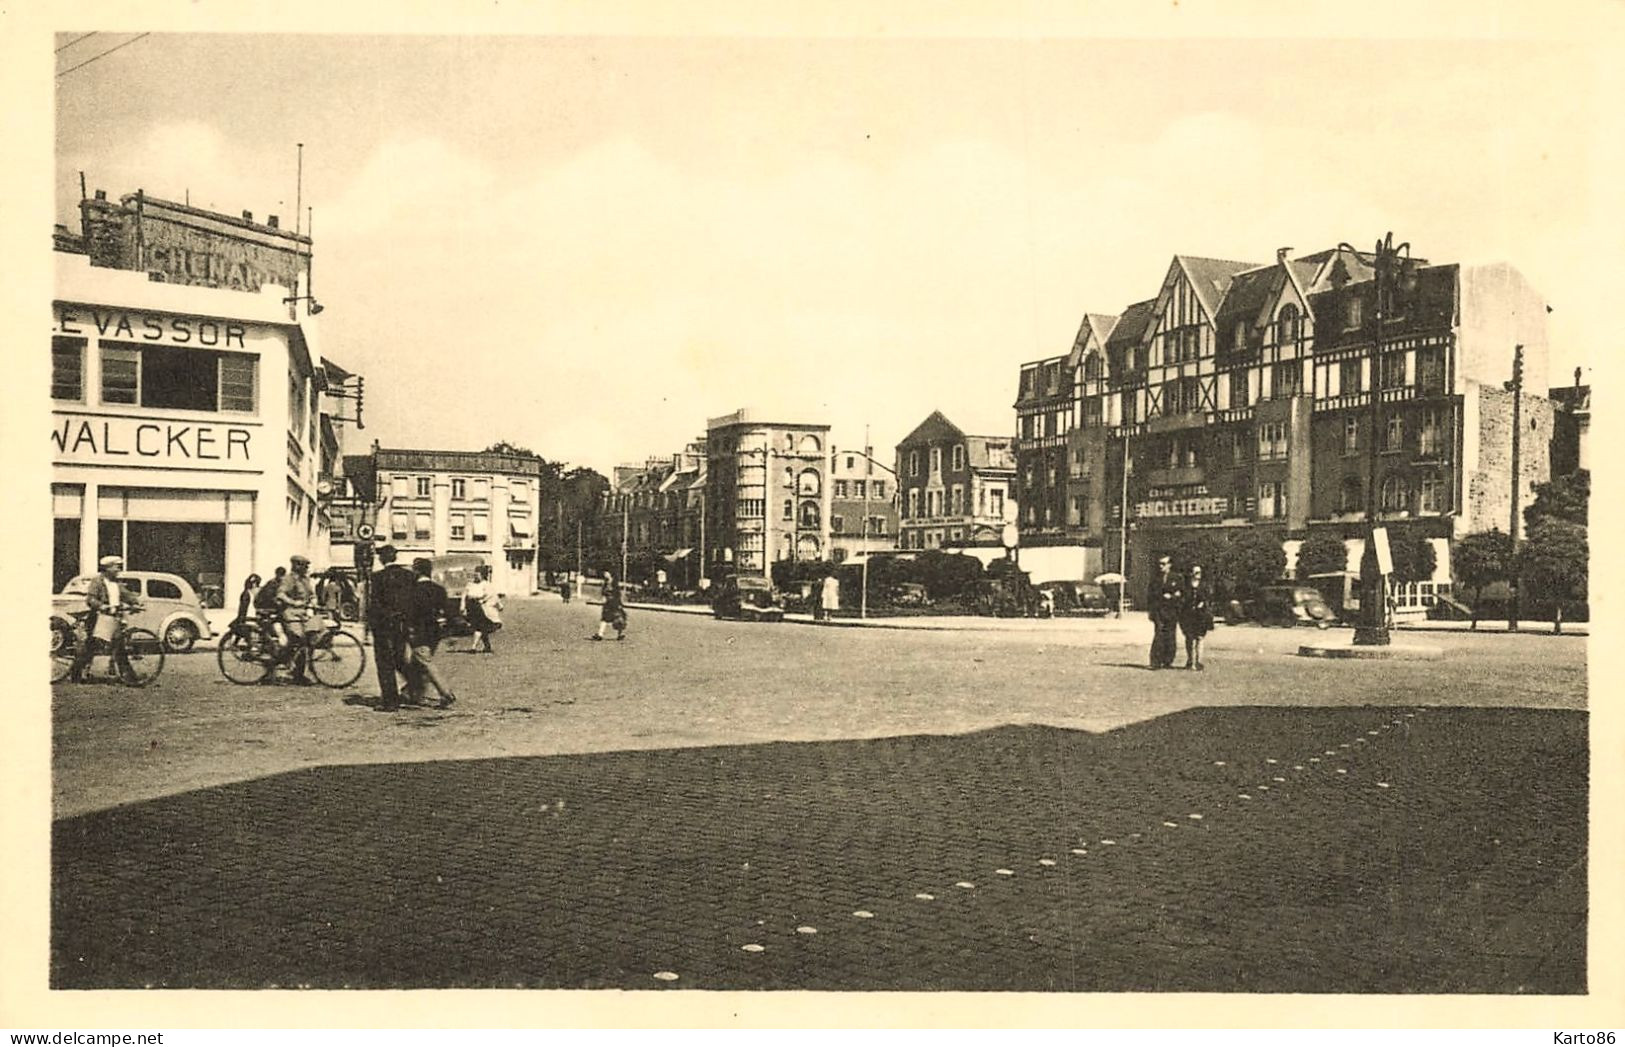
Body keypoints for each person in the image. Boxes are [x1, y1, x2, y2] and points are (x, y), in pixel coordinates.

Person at [68, 554, 142, 682]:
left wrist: (136, 603)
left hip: (113, 619)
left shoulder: (116, 584)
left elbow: (127, 595)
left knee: (119, 647)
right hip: (98, 618)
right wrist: (102, 606)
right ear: (108, 568)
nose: (118, 570)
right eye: (116, 567)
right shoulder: (97, 582)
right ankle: (76, 674)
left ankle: (129, 677)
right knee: (90, 648)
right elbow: (90, 599)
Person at [368, 544, 416, 711]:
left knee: (384, 662)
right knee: (399, 658)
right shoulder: (408, 576)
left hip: (383, 625)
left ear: (382, 559)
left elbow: (374, 603)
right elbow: (412, 602)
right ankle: (416, 684)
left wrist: (371, 625)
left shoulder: (377, 577)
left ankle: (390, 701)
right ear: (395, 557)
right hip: (401, 624)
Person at [404, 558, 457, 709]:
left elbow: (409, 613)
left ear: (417, 571)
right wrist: (449, 634)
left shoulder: (413, 590)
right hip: (434, 632)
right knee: (417, 664)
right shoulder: (439, 589)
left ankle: (446, 694)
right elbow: (448, 612)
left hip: (418, 631)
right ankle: (408, 692)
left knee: (425, 663)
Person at [276, 555, 321, 684]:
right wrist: (293, 602)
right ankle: (288, 664)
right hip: (290, 614)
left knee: (312, 636)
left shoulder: (305, 580)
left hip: (303, 614)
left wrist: (313, 602)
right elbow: (280, 594)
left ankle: (298, 672)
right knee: (300, 638)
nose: (306, 568)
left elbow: (311, 594)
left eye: (307, 565)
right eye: (304, 565)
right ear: (296, 566)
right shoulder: (288, 579)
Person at [1148, 554, 1182, 670]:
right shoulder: (1155, 579)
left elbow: (1181, 594)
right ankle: (1155, 661)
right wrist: (1151, 611)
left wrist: (1172, 597)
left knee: (1170, 636)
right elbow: (1151, 595)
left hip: (1171, 611)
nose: (1161, 566)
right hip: (1158, 611)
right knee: (1158, 635)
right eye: (1159, 564)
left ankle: (1168, 661)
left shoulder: (1176, 578)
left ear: (1169, 565)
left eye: (1163, 564)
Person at [1179, 564, 1214, 671]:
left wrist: (1203, 603)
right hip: (1188, 614)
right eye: (1195, 572)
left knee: (1200, 637)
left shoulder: (1205, 586)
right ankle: (1190, 660)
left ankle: (1198, 661)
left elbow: (1208, 598)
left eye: (1199, 572)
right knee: (1189, 638)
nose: (1197, 574)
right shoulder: (1186, 586)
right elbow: (1183, 598)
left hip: (1201, 615)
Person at [253, 566, 288, 659]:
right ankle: (268, 647)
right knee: (272, 625)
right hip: (264, 607)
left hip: (270, 607)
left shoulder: (280, 583)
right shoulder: (272, 583)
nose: (282, 577)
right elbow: (270, 598)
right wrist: (280, 603)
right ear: (277, 575)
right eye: (281, 575)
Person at [463, 566, 498, 653]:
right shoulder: (470, 584)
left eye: (478, 574)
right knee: (482, 628)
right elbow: (464, 595)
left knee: (478, 627)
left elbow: (489, 595)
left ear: (483, 575)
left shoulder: (486, 584)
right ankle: (487, 646)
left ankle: (473, 647)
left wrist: (479, 598)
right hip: (471, 607)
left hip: (481, 608)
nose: (476, 576)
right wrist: (462, 606)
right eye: (475, 574)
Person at [592, 573, 627, 641]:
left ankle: (620, 634)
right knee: (604, 618)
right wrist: (603, 598)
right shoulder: (605, 583)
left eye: (606, 573)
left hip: (615, 603)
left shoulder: (614, 583)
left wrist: (620, 604)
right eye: (604, 573)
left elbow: (618, 594)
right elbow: (603, 593)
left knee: (618, 619)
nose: (605, 574)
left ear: (610, 574)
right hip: (607, 603)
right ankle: (600, 634)